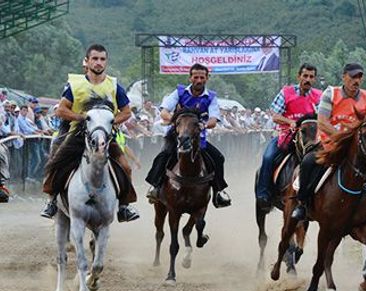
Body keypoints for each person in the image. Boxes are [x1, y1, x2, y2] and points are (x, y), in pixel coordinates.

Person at [41, 44, 139, 222]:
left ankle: (125, 206)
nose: (99, 62)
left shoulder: (114, 86)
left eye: (102, 59)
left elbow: (126, 112)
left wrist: (107, 123)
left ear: (106, 62)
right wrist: (82, 119)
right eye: (95, 58)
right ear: (87, 61)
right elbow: (61, 110)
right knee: (56, 163)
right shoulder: (75, 85)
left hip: (105, 137)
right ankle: (52, 200)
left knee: (126, 167)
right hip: (78, 135)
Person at [291, 62, 366, 221]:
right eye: (352, 77)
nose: (356, 81)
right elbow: (323, 123)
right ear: (344, 77)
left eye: (359, 77)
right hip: (329, 146)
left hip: (356, 149)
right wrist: (343, 138)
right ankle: (302, 203)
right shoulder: (330, 94)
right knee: (308, 162)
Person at [145, 63, 231, 208]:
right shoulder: (179, 92)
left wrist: (203, 125)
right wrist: (176, 121)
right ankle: (155, 186)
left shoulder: (211, 97)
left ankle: (218, 191)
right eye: (195, 77)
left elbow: (213, 119)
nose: (198, 80)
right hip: (176, 136)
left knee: (218, 158)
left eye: (202, 77)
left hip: (198, 139)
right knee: (164, 155)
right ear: (190, 78)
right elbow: (164, 111)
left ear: (207, 78)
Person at [255, 63, 322, 208]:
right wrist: (291, 122)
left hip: (311, 138)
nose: (308, 79)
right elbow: (275, 115)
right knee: (268, 157)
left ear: (315, 79)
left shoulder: (318, 96)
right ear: (299, 77)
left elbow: (324, 117)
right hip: (287, 136)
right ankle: (263, 193)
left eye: (311, 77)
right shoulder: (286, 92)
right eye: (305, 76)